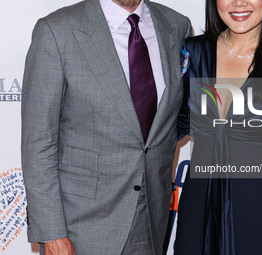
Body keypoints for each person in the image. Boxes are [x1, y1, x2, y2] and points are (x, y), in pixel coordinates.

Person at [21, 0, 191, 254]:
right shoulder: (57, 30)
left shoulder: (177, 26)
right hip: (81, 227)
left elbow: (174, 119)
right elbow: (39, 142)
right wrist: (52, 232)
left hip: (153, 218)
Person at [174, 0, 262, 254]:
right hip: (197, 206)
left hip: (260, 208)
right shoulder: (193, 51)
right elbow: (174, 123)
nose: (239, 2)